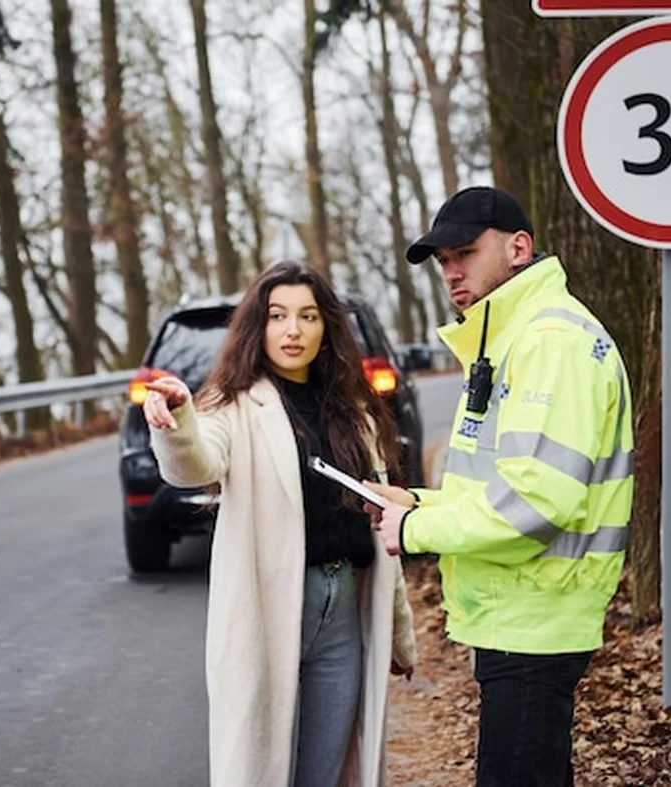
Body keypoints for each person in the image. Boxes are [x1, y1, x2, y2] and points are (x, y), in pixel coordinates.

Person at [365, 186, 635, 786]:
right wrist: (416, 502)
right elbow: (505, 482)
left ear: (519, 248)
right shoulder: (511, 339)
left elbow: (540, 503)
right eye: (444, 261)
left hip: (536, 615)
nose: (452, 272)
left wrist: (416, 529)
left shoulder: (549, 343)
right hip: (521, 613)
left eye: (465, 252)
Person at [142, 260, 419, 787]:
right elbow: (193, 465)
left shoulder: (353, 410)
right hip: (267, 615)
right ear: (258, 326)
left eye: (308, 316)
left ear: (326, 328)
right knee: (264, 770)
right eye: (277, 315)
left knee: (325, 772)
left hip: (343, 615)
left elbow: (378, 519)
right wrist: (178, 419)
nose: (293, 330)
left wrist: (399, 633)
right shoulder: (233, 404)